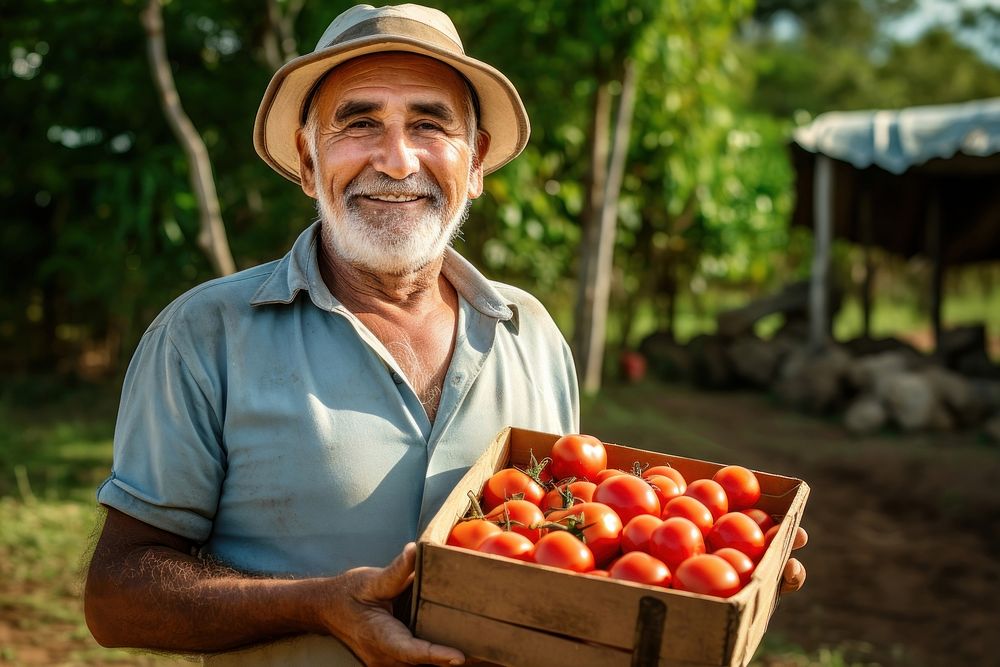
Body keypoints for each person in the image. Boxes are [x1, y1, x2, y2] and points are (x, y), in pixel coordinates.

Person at [84, 4, 806, 666]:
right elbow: (118, 594)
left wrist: (714, 584)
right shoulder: (204, 334)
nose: (397, 160)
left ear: (477, 162)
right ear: (308, 163)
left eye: (430, 124)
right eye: (358, 123)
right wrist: (317, 604)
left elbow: (569, 559)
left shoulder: (532, 334)